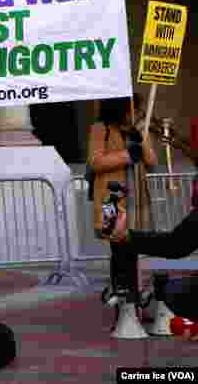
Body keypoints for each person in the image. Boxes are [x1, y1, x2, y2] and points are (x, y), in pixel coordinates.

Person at [87, 95, 156, 320]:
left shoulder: (136, 129)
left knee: (133, 250)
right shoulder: (101, 128)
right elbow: (95, 161)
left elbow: (152, 162)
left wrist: (141, 138)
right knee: (120, 252)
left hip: (137, 198)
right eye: (132, 107)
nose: (136, 111)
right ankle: (125, 307)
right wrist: (127, 155)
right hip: (113, 199)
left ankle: (134, 304)